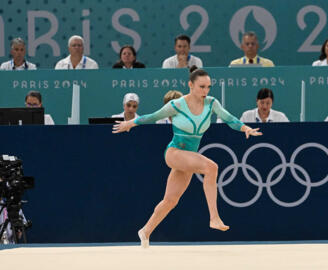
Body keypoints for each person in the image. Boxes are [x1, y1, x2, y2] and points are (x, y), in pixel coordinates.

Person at [112, 66, 262, 248]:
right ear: (190, 85)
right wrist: (130, 123)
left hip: (188, 157)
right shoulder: (177, 105)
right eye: (201, 87)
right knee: (211, 167)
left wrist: (244, 128)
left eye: (208, 87)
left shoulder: (212, 103)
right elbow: (153, 116)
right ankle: (214, 218)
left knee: (170, 200)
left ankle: (145, 230)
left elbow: (229, 118)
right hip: (174, 153)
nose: (205, 91)